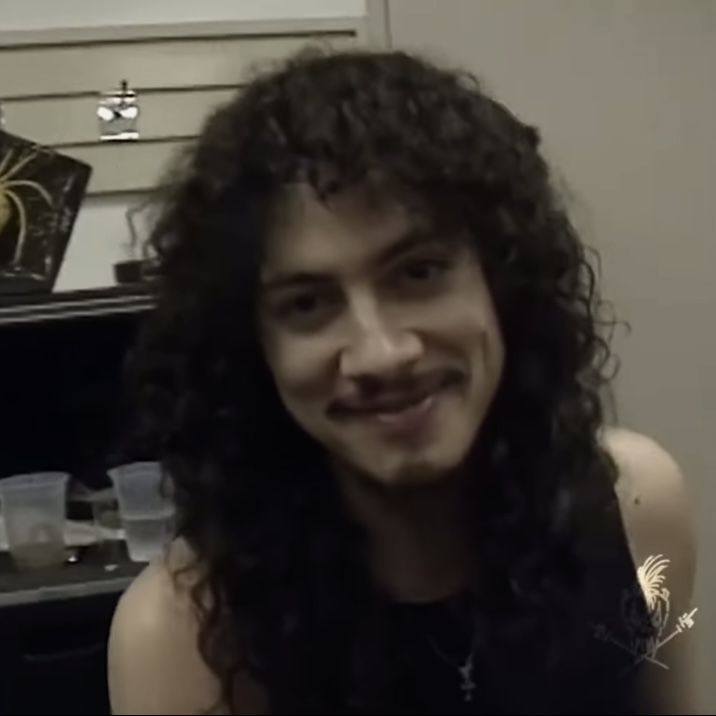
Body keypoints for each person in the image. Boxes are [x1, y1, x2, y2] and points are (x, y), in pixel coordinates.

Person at [107, 48, 697, 715]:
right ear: (253, 351)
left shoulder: (638, 508)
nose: (382, 354)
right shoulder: (182, 633)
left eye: (417, 273)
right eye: (307, 304)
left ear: (501, 284)